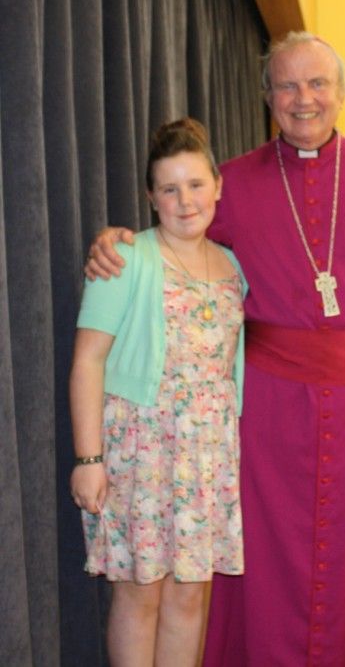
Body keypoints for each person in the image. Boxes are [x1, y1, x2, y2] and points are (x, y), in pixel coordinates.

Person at [85, 33, 345, 666]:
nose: (304, 99)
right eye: (286, 86)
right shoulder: (235, 183)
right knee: (269, 563)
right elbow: (177, 238)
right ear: (267, 98)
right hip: (268, 408)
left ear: (341, 92)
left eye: (317, 83)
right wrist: (116, 241)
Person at [70, 118, 248, 667]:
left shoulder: (233, 267)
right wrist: (89, 460)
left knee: (190, 595)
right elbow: (87, 361)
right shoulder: (125, 259)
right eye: (169, 189)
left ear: (217, 186)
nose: (185, 200)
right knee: (140, 593)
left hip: (206, 458)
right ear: (151, 198)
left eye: (195, 184)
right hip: (141, 454)